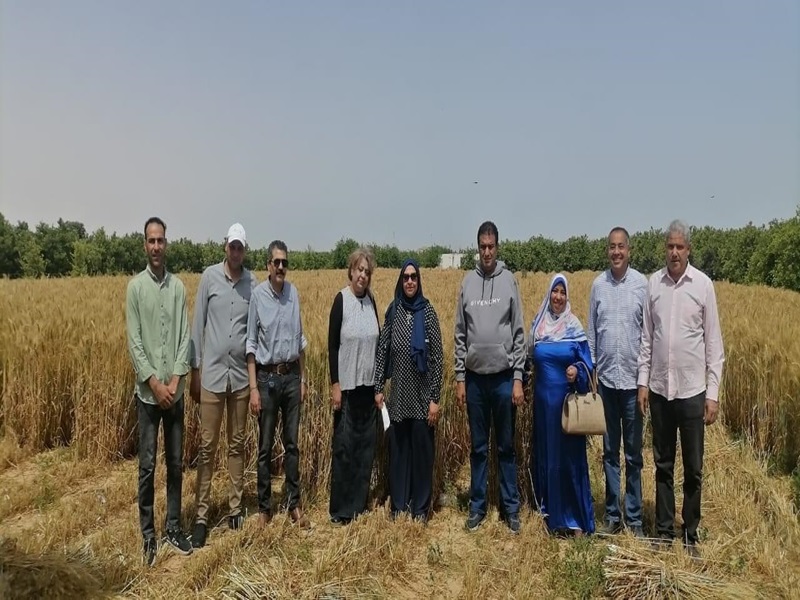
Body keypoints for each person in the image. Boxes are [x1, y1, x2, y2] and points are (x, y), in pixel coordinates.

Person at [637, 219, 724, 557]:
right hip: (660, 390)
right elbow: (647, 338)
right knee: (662, 464)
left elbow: (714, 345)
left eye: (680, 247)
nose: (674, 252)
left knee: (694, 467)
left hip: (691, 392)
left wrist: (712, 393)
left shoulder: (703, 286)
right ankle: (663, 532)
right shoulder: (653, 285)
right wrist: (643, 383)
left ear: (689, 249)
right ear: (665, 248)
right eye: (670, 246)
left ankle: (689, 533)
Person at [125, 216, 192, 567]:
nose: (155, 247)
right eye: (150, 241)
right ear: (144, 245)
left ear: (167, 243)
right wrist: (154, 382)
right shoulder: (135, 288)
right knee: (148, 467)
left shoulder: (179, 288)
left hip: (175, 394)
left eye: (160, 240)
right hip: (149, 397)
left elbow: (185, 338)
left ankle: (174, 529)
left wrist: (176, 382)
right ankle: (148, 536)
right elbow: (134, 343)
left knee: (177, 465)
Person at [188, 223, 257, 548]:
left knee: (237, 444)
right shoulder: (209, 278)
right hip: (213, 377)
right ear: (225, 247)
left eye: (240, 247)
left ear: (245, 250)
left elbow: (256, 331)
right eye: (232, 246)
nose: (236, 252)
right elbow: (197, 325)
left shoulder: (252, 284)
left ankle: (235, 508)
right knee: (206, 446)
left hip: (241, 378)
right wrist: (195, 371)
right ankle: (201, 515)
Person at [454, 221, 525, 534]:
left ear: (498, 247)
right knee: (479, 448)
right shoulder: (467, 283)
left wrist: (519, 378)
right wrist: (459, 377)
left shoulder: (509, 281)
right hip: (474, 380)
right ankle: (478, 506)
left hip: (503, 379)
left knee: (506, 448)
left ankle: (511, 509)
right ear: (477, 247)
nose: (486, 251)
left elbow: (519, 333)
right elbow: (459, 333)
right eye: (482, 246)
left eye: (491, 246)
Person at [587, 227, 647, 538]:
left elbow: (648, 336)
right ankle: (613, 514)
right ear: (607, 251)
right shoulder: (598, 286)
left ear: (629, 250)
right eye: (611, 247)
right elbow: (592, 335)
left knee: (633, 454)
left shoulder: (641, 285)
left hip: (634, 384)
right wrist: (592, 373)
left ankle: (634, 518)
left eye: (621, 247)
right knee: (610, 452)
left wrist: (645, 381)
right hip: (607, 384)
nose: (616, 252)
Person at [246, 240, 310, 529]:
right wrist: (253, 389)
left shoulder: (293, 293)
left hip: (292, 377)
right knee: (265, 447)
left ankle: (294, 504)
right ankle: (264, 508)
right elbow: (250, 346)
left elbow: (300, 341)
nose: (281, 267)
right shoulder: (258, 296)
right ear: (268, 266)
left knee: (292, 444)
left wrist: (304, 379)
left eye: (285, 262)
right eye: (277, 262)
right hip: (267, 379)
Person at [374, 259, 444, 522]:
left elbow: (437, 357)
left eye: (414, 277)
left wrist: (435, 399)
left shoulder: (427, 312)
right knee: (399, 453)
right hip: (399, 397)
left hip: (422, 397)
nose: (410, 281)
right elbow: (383, 350)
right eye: (406, 277)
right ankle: (399, 505)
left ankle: (420, 509)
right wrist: (378, 386)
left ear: (419, 280)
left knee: (422, 454)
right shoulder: (393, 310)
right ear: (401, 281)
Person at [529, 273, 595, 536]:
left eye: (562, 292)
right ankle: (552, 518)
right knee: (548, 457)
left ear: (567, 296)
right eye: (554, 292)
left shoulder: (574, 327)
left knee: (570, 459)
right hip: (544, 406)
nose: (558, 297)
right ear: (549, 294)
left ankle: (576, 519)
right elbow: (528, 356)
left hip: (568, 408)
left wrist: (576, 372)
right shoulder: (539, 325)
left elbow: (588, 365)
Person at [327, 248, 380, 525]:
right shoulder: (341, 300)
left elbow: (379, 343)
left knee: (364, 448)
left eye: (367, 271)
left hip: (368, 388)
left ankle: (358, 506)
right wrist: (335, 384)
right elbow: (332, 344)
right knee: (345, 448)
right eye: (359, 269)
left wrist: (379, 385)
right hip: (346, 388)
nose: (362, 275)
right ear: (351, 271)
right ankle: (340, 509)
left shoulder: (371, 301)